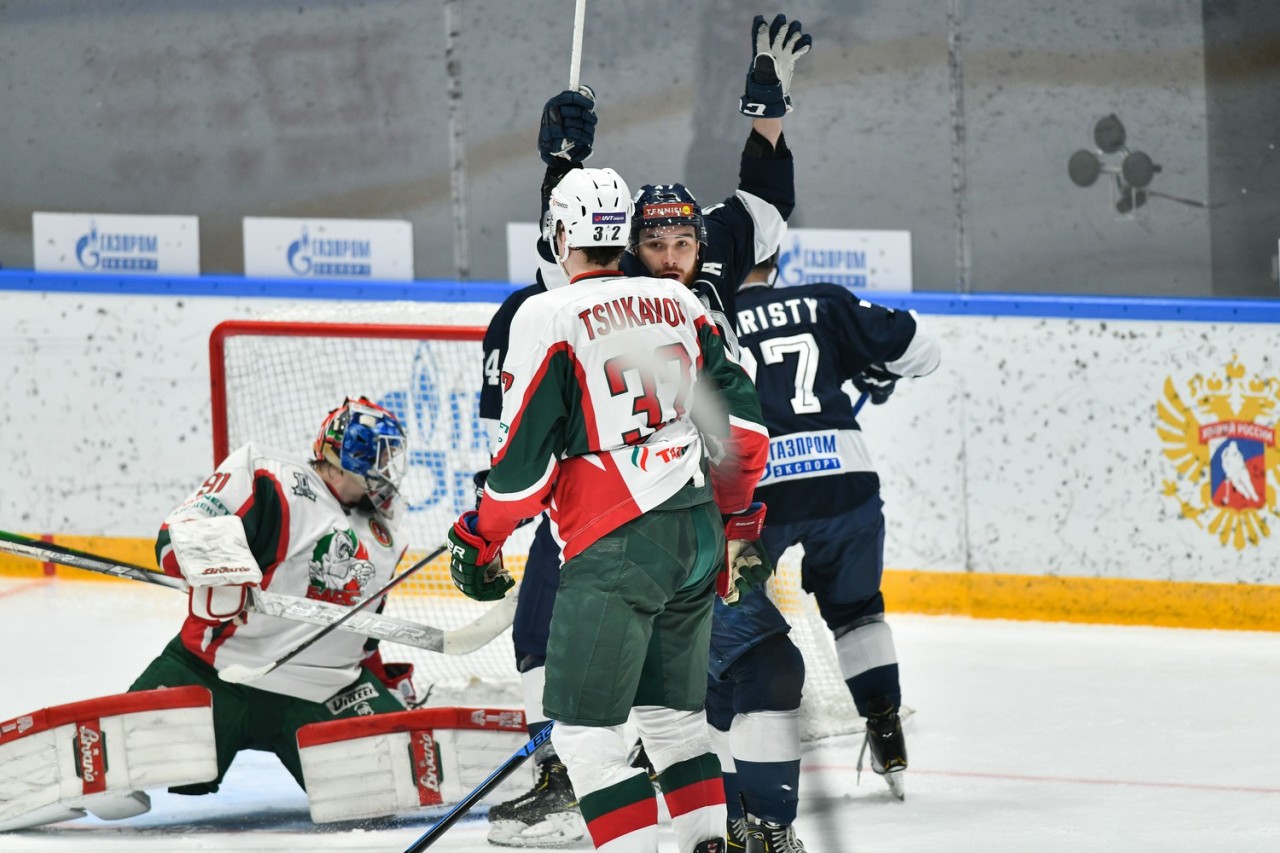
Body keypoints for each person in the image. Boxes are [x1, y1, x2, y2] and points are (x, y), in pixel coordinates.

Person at [477, 14, 809, 847]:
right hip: (642, 494)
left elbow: (763, 206)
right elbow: (569, 266)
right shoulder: (621, 283)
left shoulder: (716, 260)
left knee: (737, 668)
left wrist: (767, 118)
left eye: (683, 238)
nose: (669, 253)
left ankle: (751, 819)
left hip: (704, 495)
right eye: (650, 241)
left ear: (705, 240)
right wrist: (562, 166)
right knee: (542, 636)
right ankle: (569, 773)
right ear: (625, 244)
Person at [448, 167, 771, 853]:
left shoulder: (548, 314)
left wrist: (481, 535)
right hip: (696, 532)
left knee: (587, 736)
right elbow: (745, 434)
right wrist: (734, 521)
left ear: (562, 234)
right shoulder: (677, 304)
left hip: (618, 544)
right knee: (675, 722)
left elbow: (522, 471)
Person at [706, 249, 941, 850]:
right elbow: (922, 351)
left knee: (733, 637)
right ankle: (885, 723)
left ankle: (730, 796)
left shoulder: (711, 309)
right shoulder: (826, 300)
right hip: (846, 481)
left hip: (758, 494)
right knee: (858, 608)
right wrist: (879, 372)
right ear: (777, 262)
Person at [128, 396, 418, 801]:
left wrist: (384, 681)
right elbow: (187, 528)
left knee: (390, 789)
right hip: (215, 673)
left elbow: (362, 631)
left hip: (326, 689)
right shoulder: (270, 476)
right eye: (382, 458)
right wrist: (224, 574)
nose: (388, 471)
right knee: (120, 766)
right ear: (350, 454)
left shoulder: (386, 535)